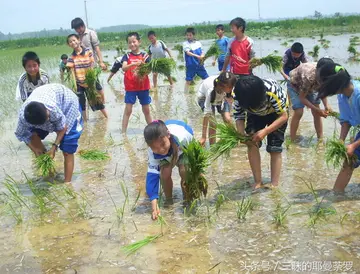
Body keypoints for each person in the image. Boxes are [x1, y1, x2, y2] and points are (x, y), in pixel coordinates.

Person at [15, 84, 83, 183]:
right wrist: (35, 150)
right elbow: (22, 135)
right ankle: (51, 175)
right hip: (41, 107)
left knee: (67, 148)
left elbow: (63, 127)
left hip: (68, 104)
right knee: (33, 137)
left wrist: (54, 147)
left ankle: (67, 183)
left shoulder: (52, 109)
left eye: (48, 118)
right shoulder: (23, 118)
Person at [233, 76, 289, 189]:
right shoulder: (239, 95)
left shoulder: (272, 92)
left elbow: (284, 117)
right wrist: (241, 134)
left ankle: (274, 184)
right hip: (254, 115)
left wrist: (265, 131)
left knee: (274, 148)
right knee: (251, 143)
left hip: (276, 114)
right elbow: (239, 116)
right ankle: (258, 182)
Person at [317, 64, 360, 193]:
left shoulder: (358, 94)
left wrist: (353, 145)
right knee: (349, 162)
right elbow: (346, 121)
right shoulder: (342, 95)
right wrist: (341, 140)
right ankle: (336, 194)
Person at [144, 120, 194, 220]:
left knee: (185, 171)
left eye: (163, 144)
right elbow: (152, 178)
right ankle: (169, 201)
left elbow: (196, 157)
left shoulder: (184, 137)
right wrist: (154, 206)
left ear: (168, 135)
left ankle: (187, 199)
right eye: (155, 148)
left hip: (182, 148)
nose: (161, 150)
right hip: (169, 153)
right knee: (165, 174)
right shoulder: (153, 153)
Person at [288, 57, 334, 141]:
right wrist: (317, 110)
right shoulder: (309, 76)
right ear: (318, 70)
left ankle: (320, 139)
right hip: (295, 85)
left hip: (311, 86)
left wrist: (326, 105)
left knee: (316, 112)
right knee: (299, 112)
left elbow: (322, 89)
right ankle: (292, 140)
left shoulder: (327, 73)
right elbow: (302, 98)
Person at [66, 34, 108, 120]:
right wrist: (74, 85)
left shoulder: (88, 51)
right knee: (82, 103)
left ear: (79, 40)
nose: (73, 42)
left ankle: (107, 118)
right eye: (70, 42)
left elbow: (92, 64)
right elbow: (72, 71)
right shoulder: (71, 57)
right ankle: (85, 121)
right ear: (69, 45)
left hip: (90, 82)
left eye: (74, 40)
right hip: (79, 83)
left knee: (96, 101)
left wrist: (91, 80)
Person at [121, 32, 152, 133]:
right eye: (130, 42)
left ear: (139, 42)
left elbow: (149, 69)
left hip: (143, 86)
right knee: (128, 110)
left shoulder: (145, 56)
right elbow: (124, 68)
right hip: (131, 87)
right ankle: (123, 132)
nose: (132, 44)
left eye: (134, 42)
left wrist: (142, 70)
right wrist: (133, 64)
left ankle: (152, 130)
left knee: (146, 109)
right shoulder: (127, 56)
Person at [197, 72, 237, 145]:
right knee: (213, 123)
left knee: (228, 119)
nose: (232, 88)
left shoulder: (228, 86)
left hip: (222, 97)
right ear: (223, 86)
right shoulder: (210, 90)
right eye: (231, 87)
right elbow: (207, 114)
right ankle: (213, 147)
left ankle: (234, 139)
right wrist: (203, 137)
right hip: (204, 97)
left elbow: (232, 99)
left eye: (232, 86)